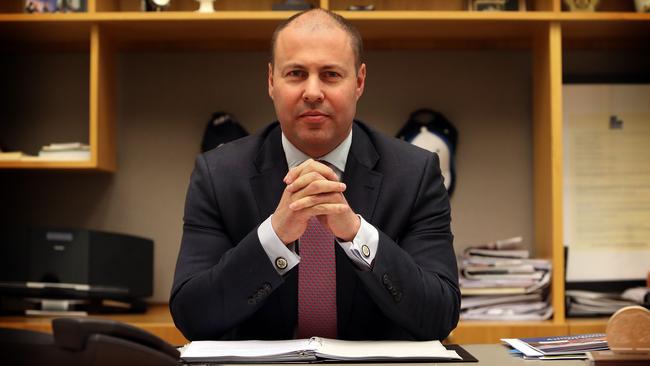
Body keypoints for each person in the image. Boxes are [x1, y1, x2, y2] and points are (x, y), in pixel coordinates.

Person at [170, 8, 460, 341]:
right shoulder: (218, 175)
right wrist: (274, 237)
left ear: (359, 82)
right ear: (271, 82)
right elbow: (192, 316)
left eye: (330, 75)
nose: (312, 92)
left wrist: (356, 234)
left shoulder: (415, 173)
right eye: (295, 73)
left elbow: (440, 315)